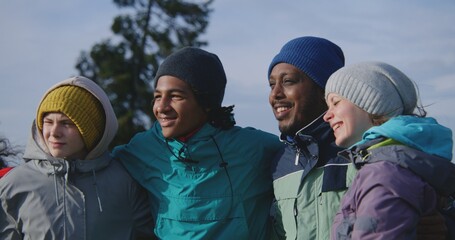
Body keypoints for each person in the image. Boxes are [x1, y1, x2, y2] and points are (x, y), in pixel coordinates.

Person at [112, 47, 284, 239]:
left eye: (175, 96)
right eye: (157, 96)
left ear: (207, 102)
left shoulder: (254, 148)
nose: (161, 107)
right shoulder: (143, 148)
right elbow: (95, 166)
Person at [0, 76, 154, 239]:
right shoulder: (13, 184)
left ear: (92, 130)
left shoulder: (125, 182)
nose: (54, 132)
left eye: (66, 123)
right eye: (48, 121)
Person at [323, 61, 455, 239]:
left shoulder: (383, 175)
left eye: (336, 103)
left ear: (372, 104)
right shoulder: (403, 163)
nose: (326, 116)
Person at [267, 36, 355, 240]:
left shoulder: (361, 151)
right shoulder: (278, 163)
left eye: (288, 81)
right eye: (271, 85)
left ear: (324, 89)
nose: (275, 94)